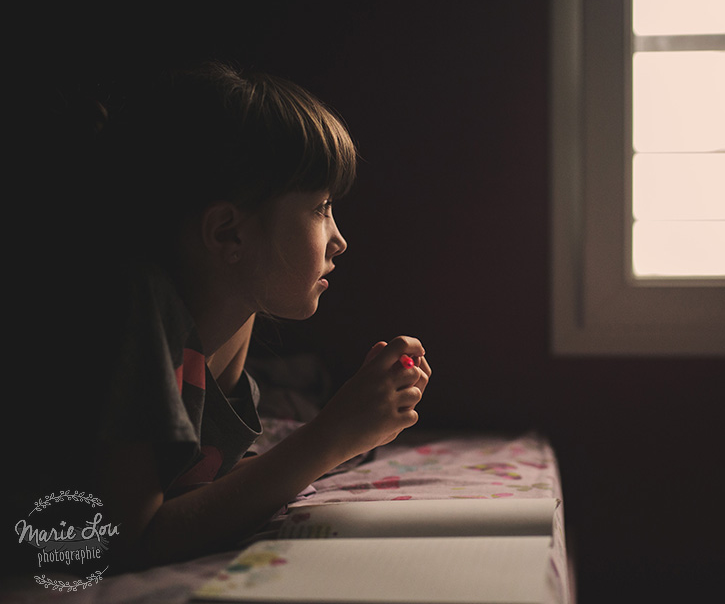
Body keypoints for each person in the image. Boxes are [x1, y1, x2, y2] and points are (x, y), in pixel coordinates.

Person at [18, 60, 431, 571]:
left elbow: (206, 485)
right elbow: (124, 542)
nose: (340, 240)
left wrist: (349, 426)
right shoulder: (133, 304)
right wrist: (331, 436)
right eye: (321, 208)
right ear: (228, 233)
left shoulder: (230, 315)